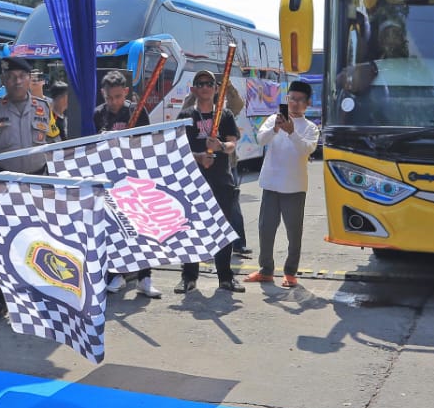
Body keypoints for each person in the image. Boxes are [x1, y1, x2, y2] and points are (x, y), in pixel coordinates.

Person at [0, 56, 60, 318]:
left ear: (29, 79)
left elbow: (58, 145)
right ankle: (0, 298)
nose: (17, 81)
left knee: (39, 244)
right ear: (5, 80)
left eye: (22, 76)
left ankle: (38, 299)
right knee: (2, 244)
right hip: (4, 188)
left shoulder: (45, 107)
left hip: (37, 184)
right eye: (11, 77)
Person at [93, 70, 162, 299]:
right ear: (103, 94)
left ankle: (145, 277)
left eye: (117, 97)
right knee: (114, 229)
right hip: (111, 179)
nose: (113, 102)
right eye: (109, 97)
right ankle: (118, 274)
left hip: (135, 177)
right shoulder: (99, 114)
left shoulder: (136, 111)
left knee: (141, 228)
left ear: (125, 93)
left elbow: (146, 142)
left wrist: (129, 141)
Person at [245, 81, 320, 288]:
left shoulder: (311, 128)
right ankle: (266, 270)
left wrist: (291, 132)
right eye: (291, 99)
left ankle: (290, 272)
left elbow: (307, 150)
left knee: (293, 232)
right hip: (270, 183)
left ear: (307, 103)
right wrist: (276, 128)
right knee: (265, 229)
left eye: (299, 100)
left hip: (294, 187)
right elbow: (260, 140)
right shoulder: (273, 119)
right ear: (287, 100)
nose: (295, 103)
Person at [177, 70, 245, 295]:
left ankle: (225, 277)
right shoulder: (186, 116)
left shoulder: (224, 115)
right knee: (190, 229)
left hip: (220, 180)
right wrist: (198, 157)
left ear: (216, 89)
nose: (205, 87)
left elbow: (232, 143)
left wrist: (220, 147)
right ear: (194, 89)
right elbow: (178, 148)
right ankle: (188, 277)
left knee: (221, 228)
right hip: (192, 181)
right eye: (200, 83)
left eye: (209, 83)